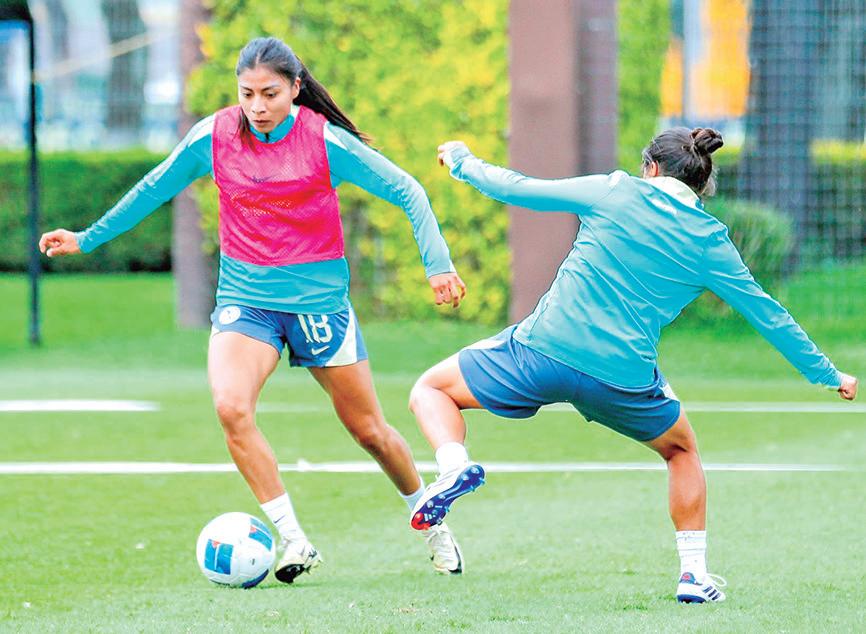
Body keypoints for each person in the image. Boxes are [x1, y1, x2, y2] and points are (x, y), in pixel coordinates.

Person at [39, 36, 469, 583]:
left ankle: (433, 524)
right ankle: (294, 540)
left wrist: (437, 266)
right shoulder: (214, 136)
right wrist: (88, 238)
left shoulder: (324, 141)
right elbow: (153, 188)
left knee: (369, 432)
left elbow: (408, 191)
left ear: (294, 89)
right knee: (231, 408)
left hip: (318, 305)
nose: (257, 106)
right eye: (247, 94)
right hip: (246, 301)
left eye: (270, 94)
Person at [405, 127, 859, 603]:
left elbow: (517, 188)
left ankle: (453, 466)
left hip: (543, 351)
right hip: (622, 378)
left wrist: (462, 161)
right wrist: (828, 374)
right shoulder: (710, 241)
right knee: (681, 451)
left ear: (652, 168)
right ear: (701, 184)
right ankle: (693, 575)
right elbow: (768, 315)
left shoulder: (616, 191)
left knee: (431, 390)